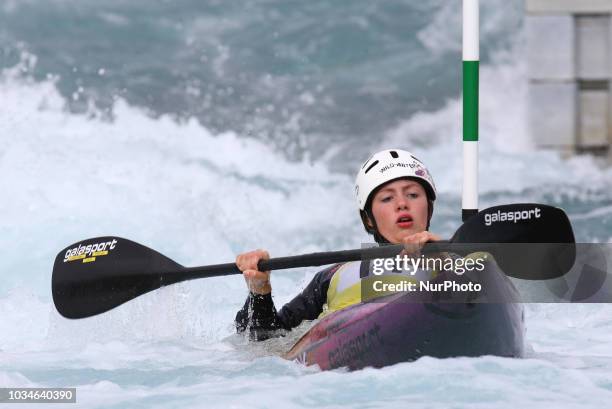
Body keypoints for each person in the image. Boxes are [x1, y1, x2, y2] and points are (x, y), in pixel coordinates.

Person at [235, 149, 440, 340]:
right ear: (369, 219)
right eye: (387, 198)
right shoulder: (334, 278)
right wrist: (259, 292)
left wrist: (444, 260)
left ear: (428, 208)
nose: (402, 203)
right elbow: (262, 342)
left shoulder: (462, 261)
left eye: (413, 194)